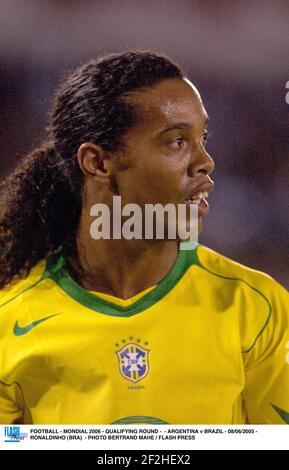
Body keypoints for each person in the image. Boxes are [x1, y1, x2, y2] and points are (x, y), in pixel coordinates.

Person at [0, 51, 288, 425]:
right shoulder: (12, 320)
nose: (206, 161)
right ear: (99, 163)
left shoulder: (256, 309)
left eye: (202, 138)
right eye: (176, 142)